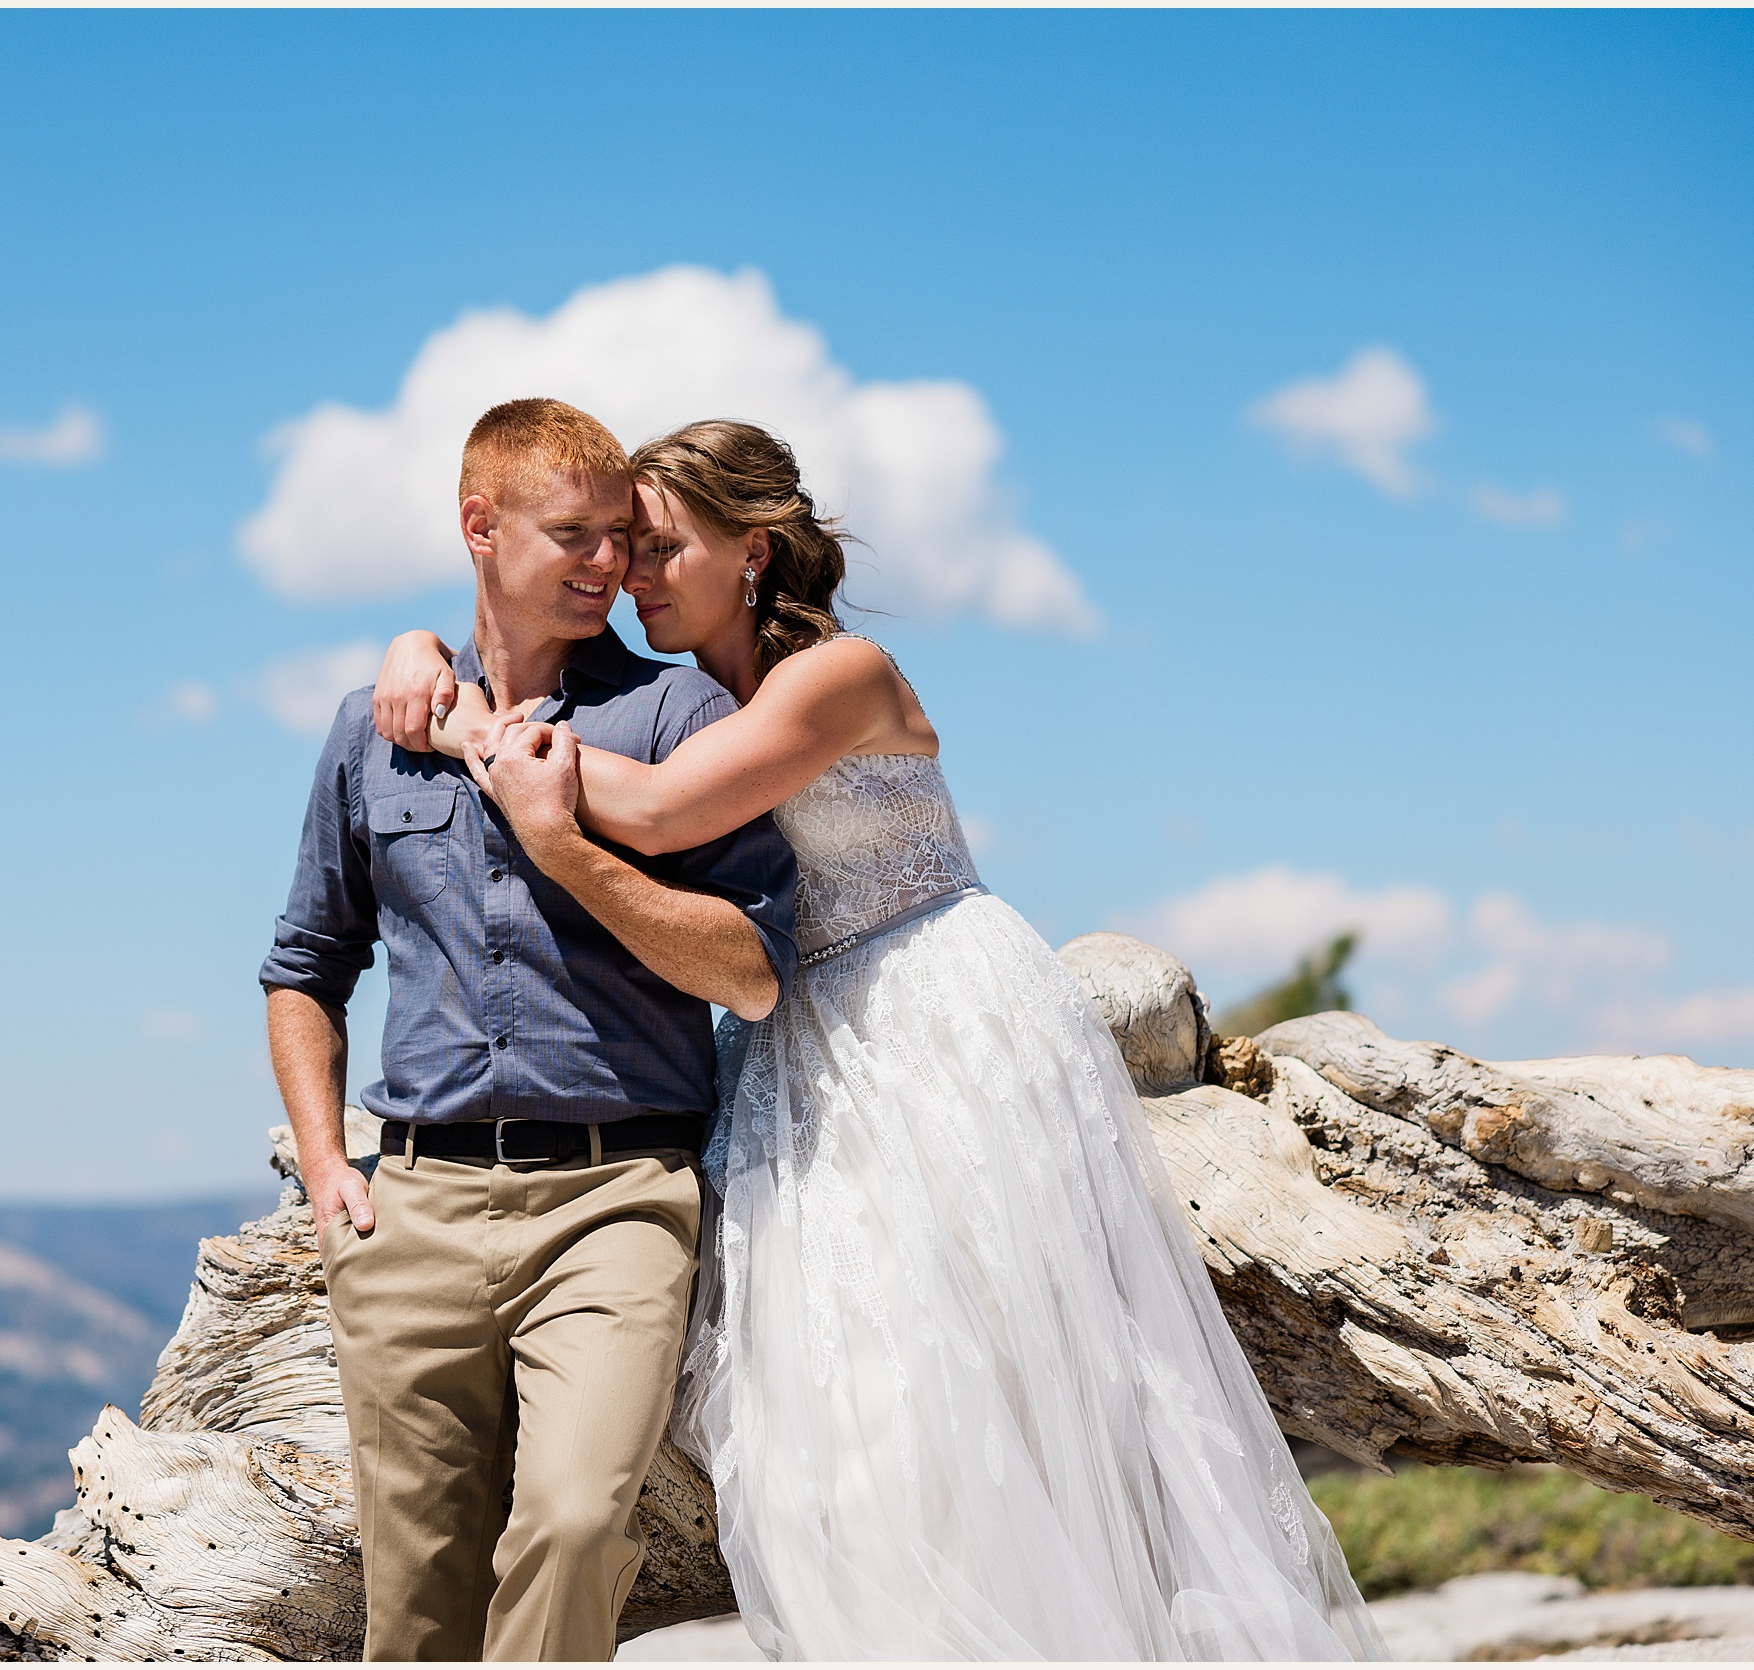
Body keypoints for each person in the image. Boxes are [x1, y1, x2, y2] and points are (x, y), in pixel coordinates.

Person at [369, 419, 1386, 1661]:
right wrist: (422, 644)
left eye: (659, 548)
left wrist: (463, 719)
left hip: (932, 1019)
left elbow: (650, 807)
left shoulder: (837, 676)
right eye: (620, 548)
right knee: (837, 1400)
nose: (630, 576)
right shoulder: (691, 697)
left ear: (751, 554)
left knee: (985, 1385)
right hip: (799, 1040)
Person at [261, 400, 801, 1662]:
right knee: (418, 1600)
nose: (609, 563)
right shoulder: (376, 726)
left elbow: (751, 968)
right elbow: (304, 964)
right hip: (415, 1207)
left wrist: (564, 844)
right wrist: (330, 1166)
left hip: (618, 1196)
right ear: (478, 527)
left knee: (571, 1521)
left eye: (621, 535)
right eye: (575, 534)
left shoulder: (674, 724)